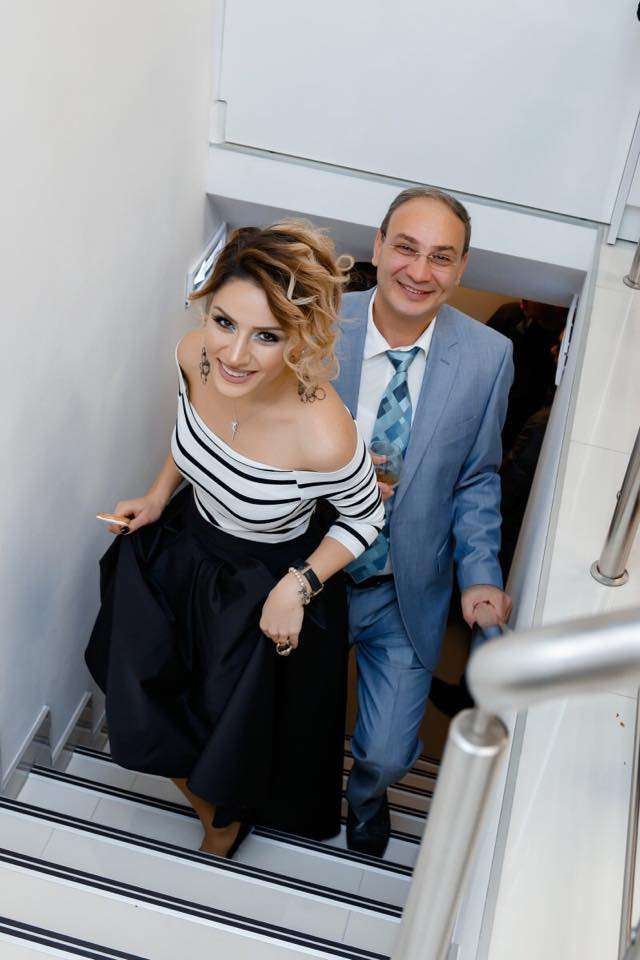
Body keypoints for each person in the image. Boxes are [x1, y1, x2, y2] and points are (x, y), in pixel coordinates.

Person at [85, 220, 385, 859]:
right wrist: (159, 494)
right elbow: (191, 429)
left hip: (258, 587)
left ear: (300, 338)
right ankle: (211, 812)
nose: (235, 355)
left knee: (224, 725)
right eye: (225, 322)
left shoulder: (325, 433)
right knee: (140, 688)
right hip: (180, 551)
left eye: (266, 336)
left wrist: (297, 587)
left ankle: (222, 820)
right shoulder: (194, 354)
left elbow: (364, 520)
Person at [331, 187, 514, 857]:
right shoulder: (319, 324)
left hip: (405, 588)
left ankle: (367, 797)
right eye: (406, 248)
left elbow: (477, 477)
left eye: (441, 256)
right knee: (284, 711)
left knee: (385, 749)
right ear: (378, 246)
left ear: (461, 268)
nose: (419, 271)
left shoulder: (489, 356)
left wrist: (481, 575)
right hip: (312, 574)